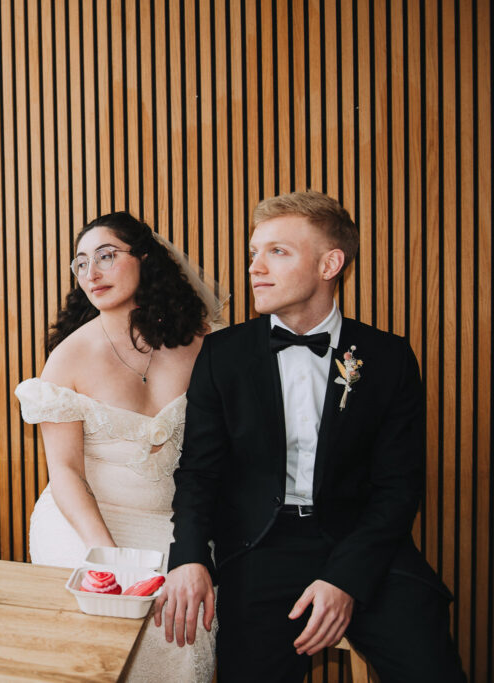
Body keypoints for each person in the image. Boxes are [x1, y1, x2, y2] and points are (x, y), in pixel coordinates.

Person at [154, 191, 466, 682]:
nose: (255, 267)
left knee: (431, 667)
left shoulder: (388, 358)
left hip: (363, 544)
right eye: (254, 252)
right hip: (260, 547)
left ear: (330, 264)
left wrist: (346, 579)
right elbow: (198, 472)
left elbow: (398, 488)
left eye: (277, 251)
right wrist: (189, 556)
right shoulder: (222, 355)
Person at [16, 211, 222, 682]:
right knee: (110, 608)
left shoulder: (204, 345)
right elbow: (65, 473)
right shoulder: (68, 357)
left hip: (172, 525)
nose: (92, 272)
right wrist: (108, 557)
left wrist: (195, 547)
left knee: (186, 614)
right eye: (81, 263)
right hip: (86, 521)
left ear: (145, 259)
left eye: (106, 256)